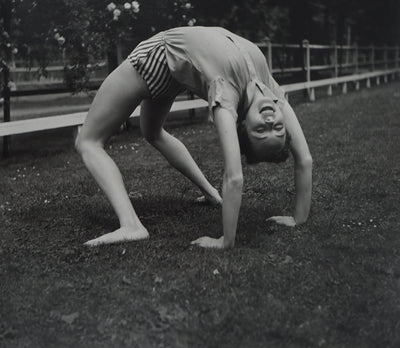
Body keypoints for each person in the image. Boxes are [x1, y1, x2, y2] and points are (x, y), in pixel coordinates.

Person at [75, 26, 312, 248]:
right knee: (152, 132)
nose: (271, 123)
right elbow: (305, 160)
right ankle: (211, 194)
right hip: (173, 67)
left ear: (243, 124)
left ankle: (131, 225)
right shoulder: (271, 92)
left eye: (261, 131)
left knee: (87, 141)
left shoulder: (226, 93)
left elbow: (234, 177)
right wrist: (299, 218)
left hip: (157, 56)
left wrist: (225, 241)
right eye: (278, 130)